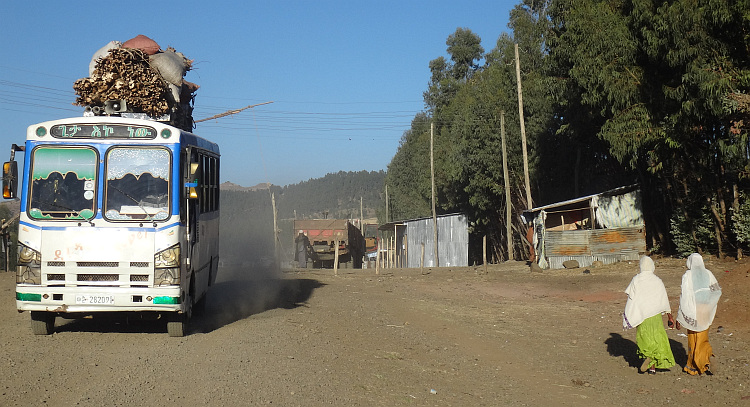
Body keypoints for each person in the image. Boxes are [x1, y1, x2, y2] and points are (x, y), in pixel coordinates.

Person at [623, 255, 676, 374]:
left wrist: (630, 313)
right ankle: (653, 364)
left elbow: (631, 295)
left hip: (642, 314)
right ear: (652, 266)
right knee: (657, 337)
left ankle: (649, 361)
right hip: (655, 315)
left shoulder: (636, 279)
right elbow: (664, 299)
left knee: (644, 337)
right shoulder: (657, 280)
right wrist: (670, 316)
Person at [675, 253, 722, 375]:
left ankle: (693, 366)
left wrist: (680, 315)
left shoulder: (688, 275)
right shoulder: (708, 273)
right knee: (702, 336)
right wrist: (709, 304)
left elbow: (684, 296)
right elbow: (717, 291)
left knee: (693, 338)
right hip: (705, 309)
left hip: (693, 309)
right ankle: (707, 355)